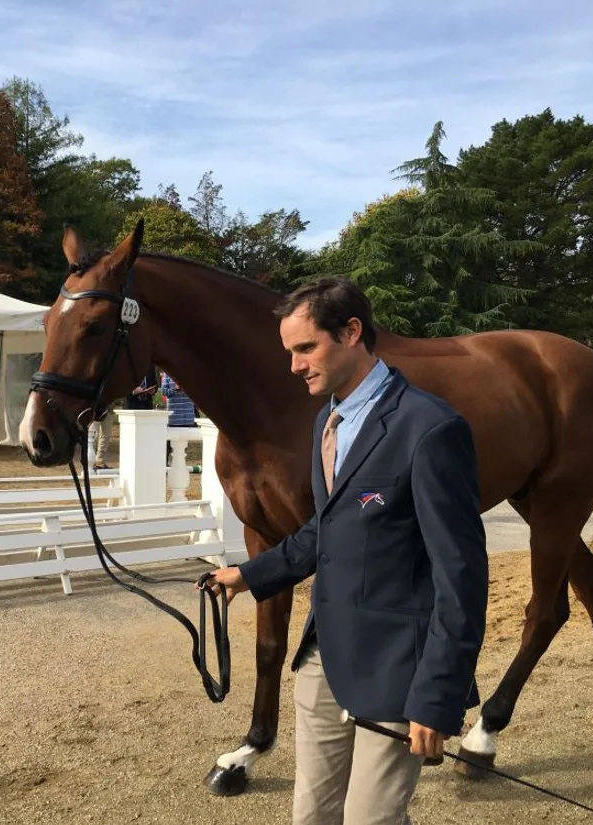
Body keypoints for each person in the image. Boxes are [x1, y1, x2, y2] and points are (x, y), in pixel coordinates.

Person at [206, 277, 488, 825]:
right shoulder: (325, 421)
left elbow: (462, 574)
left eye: (305, 348)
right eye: (289, 352)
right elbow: (327, 530)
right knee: (311, 816)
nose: (294, 366)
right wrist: (249, 573)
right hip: (322, 658)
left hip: (395, 671)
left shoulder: (431, 429)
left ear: (352, 332)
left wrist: (437, 696)